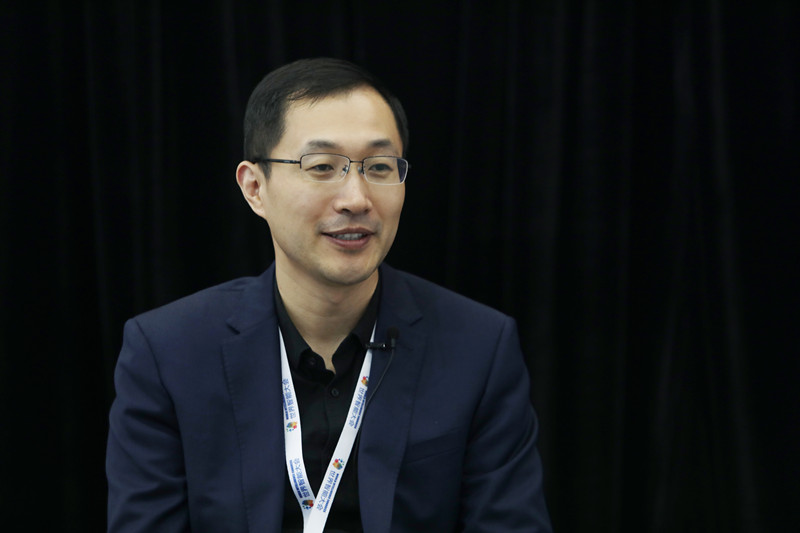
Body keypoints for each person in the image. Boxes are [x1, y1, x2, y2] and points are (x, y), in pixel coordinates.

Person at [106, 57, 552, 533]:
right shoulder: (167, 352)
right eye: (322, 167)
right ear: (255, 188)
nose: (356, 198)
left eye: (378, 167)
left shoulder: (479, 347)